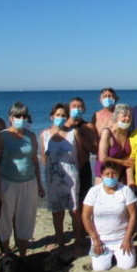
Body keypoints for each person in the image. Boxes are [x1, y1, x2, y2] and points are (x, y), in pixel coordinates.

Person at [0, 102, 45, 257]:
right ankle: (6, 253)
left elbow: (35, 161)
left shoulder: (30, 136)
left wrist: (39, 184)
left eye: (24, 116)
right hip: (7, 182)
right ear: (11, 117)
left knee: (26, 217)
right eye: (18, 116)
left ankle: (23, 253)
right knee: (4, 218)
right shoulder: (2, 136)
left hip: (28, 182)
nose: (21, 119)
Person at [39, 103, 84, 253]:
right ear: (52, 117)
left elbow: (82, 156)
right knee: (57, 212)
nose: (60, 118)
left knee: (75, 211)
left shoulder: (73, 133)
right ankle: (61, 243)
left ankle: (78, 241)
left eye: (63, 115)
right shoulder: (44, 135)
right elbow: (43, 158)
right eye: (57, 115)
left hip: (71, 177)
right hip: (53, 179)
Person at [81, 161, 137, 271]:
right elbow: (85, 216)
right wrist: (95, 238)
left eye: (114, 174)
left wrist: (127, 238)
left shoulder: (125, 190)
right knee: (100, 268)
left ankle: (118, 255)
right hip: (101, 238)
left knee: (127, 266)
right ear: (101, 175)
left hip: (121, 237)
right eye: (107, 174)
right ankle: (107, 257)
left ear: (118, 175)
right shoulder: (94, 191)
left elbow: (133, 215)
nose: (111, 177)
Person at [66, 97, 98, 212]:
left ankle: (83, 228)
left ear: (84, 109)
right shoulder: (64, 126)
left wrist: (80, 138)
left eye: (79, 106)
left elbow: (95, 149)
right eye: (73, 106)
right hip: (67, 167)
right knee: (69, 200)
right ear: (69, 109)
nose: (76, 109)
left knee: (84, 200)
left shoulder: (88, 126)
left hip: (83, 167)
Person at [96, 103, 134, 185]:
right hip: (104, 175)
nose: (127, 118)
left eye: (129, 116)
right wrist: (122, 162)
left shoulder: (129, 134)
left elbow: (129, 158)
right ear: (116, 117)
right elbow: (102, 157)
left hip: (120, 175)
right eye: (124, 116)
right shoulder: (107, 133)